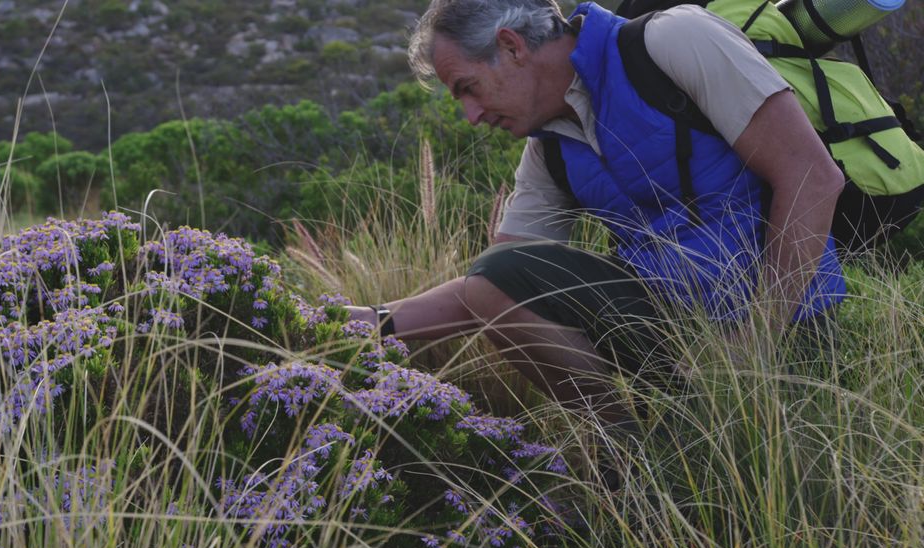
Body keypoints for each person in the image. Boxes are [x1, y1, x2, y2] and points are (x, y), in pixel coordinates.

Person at [346, 0, 846, 429]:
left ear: (512, 47)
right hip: (679, 347)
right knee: (498, 278)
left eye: (468, 88)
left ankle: (681, 441)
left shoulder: (674, 41)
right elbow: (490, 287)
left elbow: (813, 178)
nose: (471, 116)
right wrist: (371, 322)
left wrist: (753, 342)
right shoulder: (550, 152)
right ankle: (628, 452)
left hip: (788, 328)